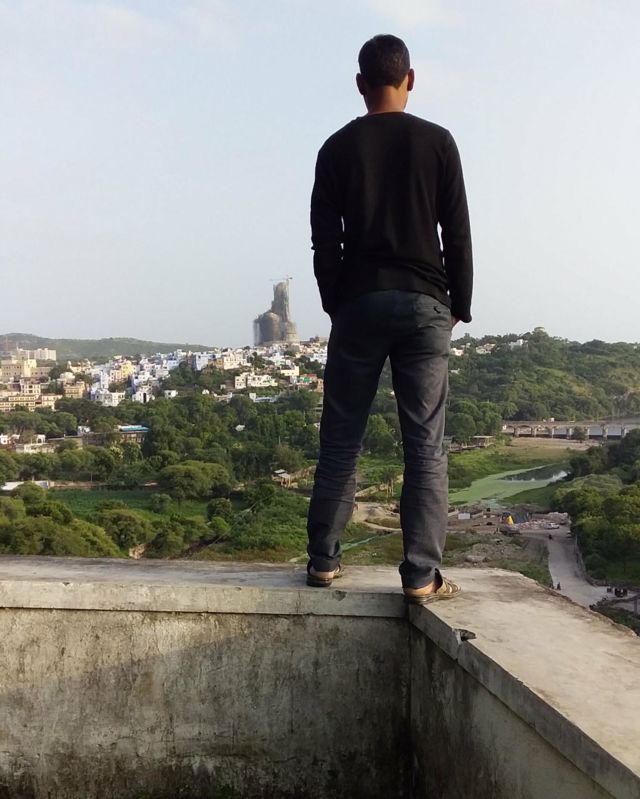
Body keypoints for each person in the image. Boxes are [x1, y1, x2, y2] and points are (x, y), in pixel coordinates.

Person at [306, 34, 473, 605]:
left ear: (360, 83)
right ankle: (421, 575)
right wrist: (459, 303)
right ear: (411, 79)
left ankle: (324, 562)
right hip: (425, 303)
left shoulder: (336, 148)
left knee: (341, 440)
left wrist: (336, 301)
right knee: (425, 445)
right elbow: (457, 232)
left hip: (359, 301)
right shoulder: (438, 142)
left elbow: (324, 240)